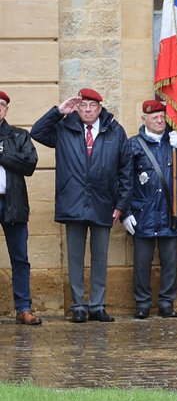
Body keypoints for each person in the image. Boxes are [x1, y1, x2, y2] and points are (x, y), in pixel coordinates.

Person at [31, 88, 129, 323]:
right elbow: (37, 132)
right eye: (82, 106)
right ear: (77, 107)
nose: (87, 110)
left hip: (103, 202)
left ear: (99, 108)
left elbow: (126, 169)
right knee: (75, 258)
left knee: (100, 256)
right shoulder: (64, 128)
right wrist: (59, 111)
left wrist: (121, 203)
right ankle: (78, 306)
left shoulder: (115, 131)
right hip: (73, 201)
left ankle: (97, 305)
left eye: (92, 106)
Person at [120, 99, 177, 319]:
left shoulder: (175, 141)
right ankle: (142, 303)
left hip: (170, 212)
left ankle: (166, 302)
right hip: (142, 213)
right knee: (142, 263)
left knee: (170, 262)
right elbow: (123, 180)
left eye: (162, 116)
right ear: (144, 119)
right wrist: (125, 213)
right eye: (154, 117)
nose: (159, 120)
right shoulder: (133, 144)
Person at [0, 90, 41, 325]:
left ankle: (23, 308)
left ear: (6, 109)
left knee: (20, 257)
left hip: (13, 201)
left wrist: (3, 156)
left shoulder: (19, 135)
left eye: (2, 104)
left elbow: (29, 164)